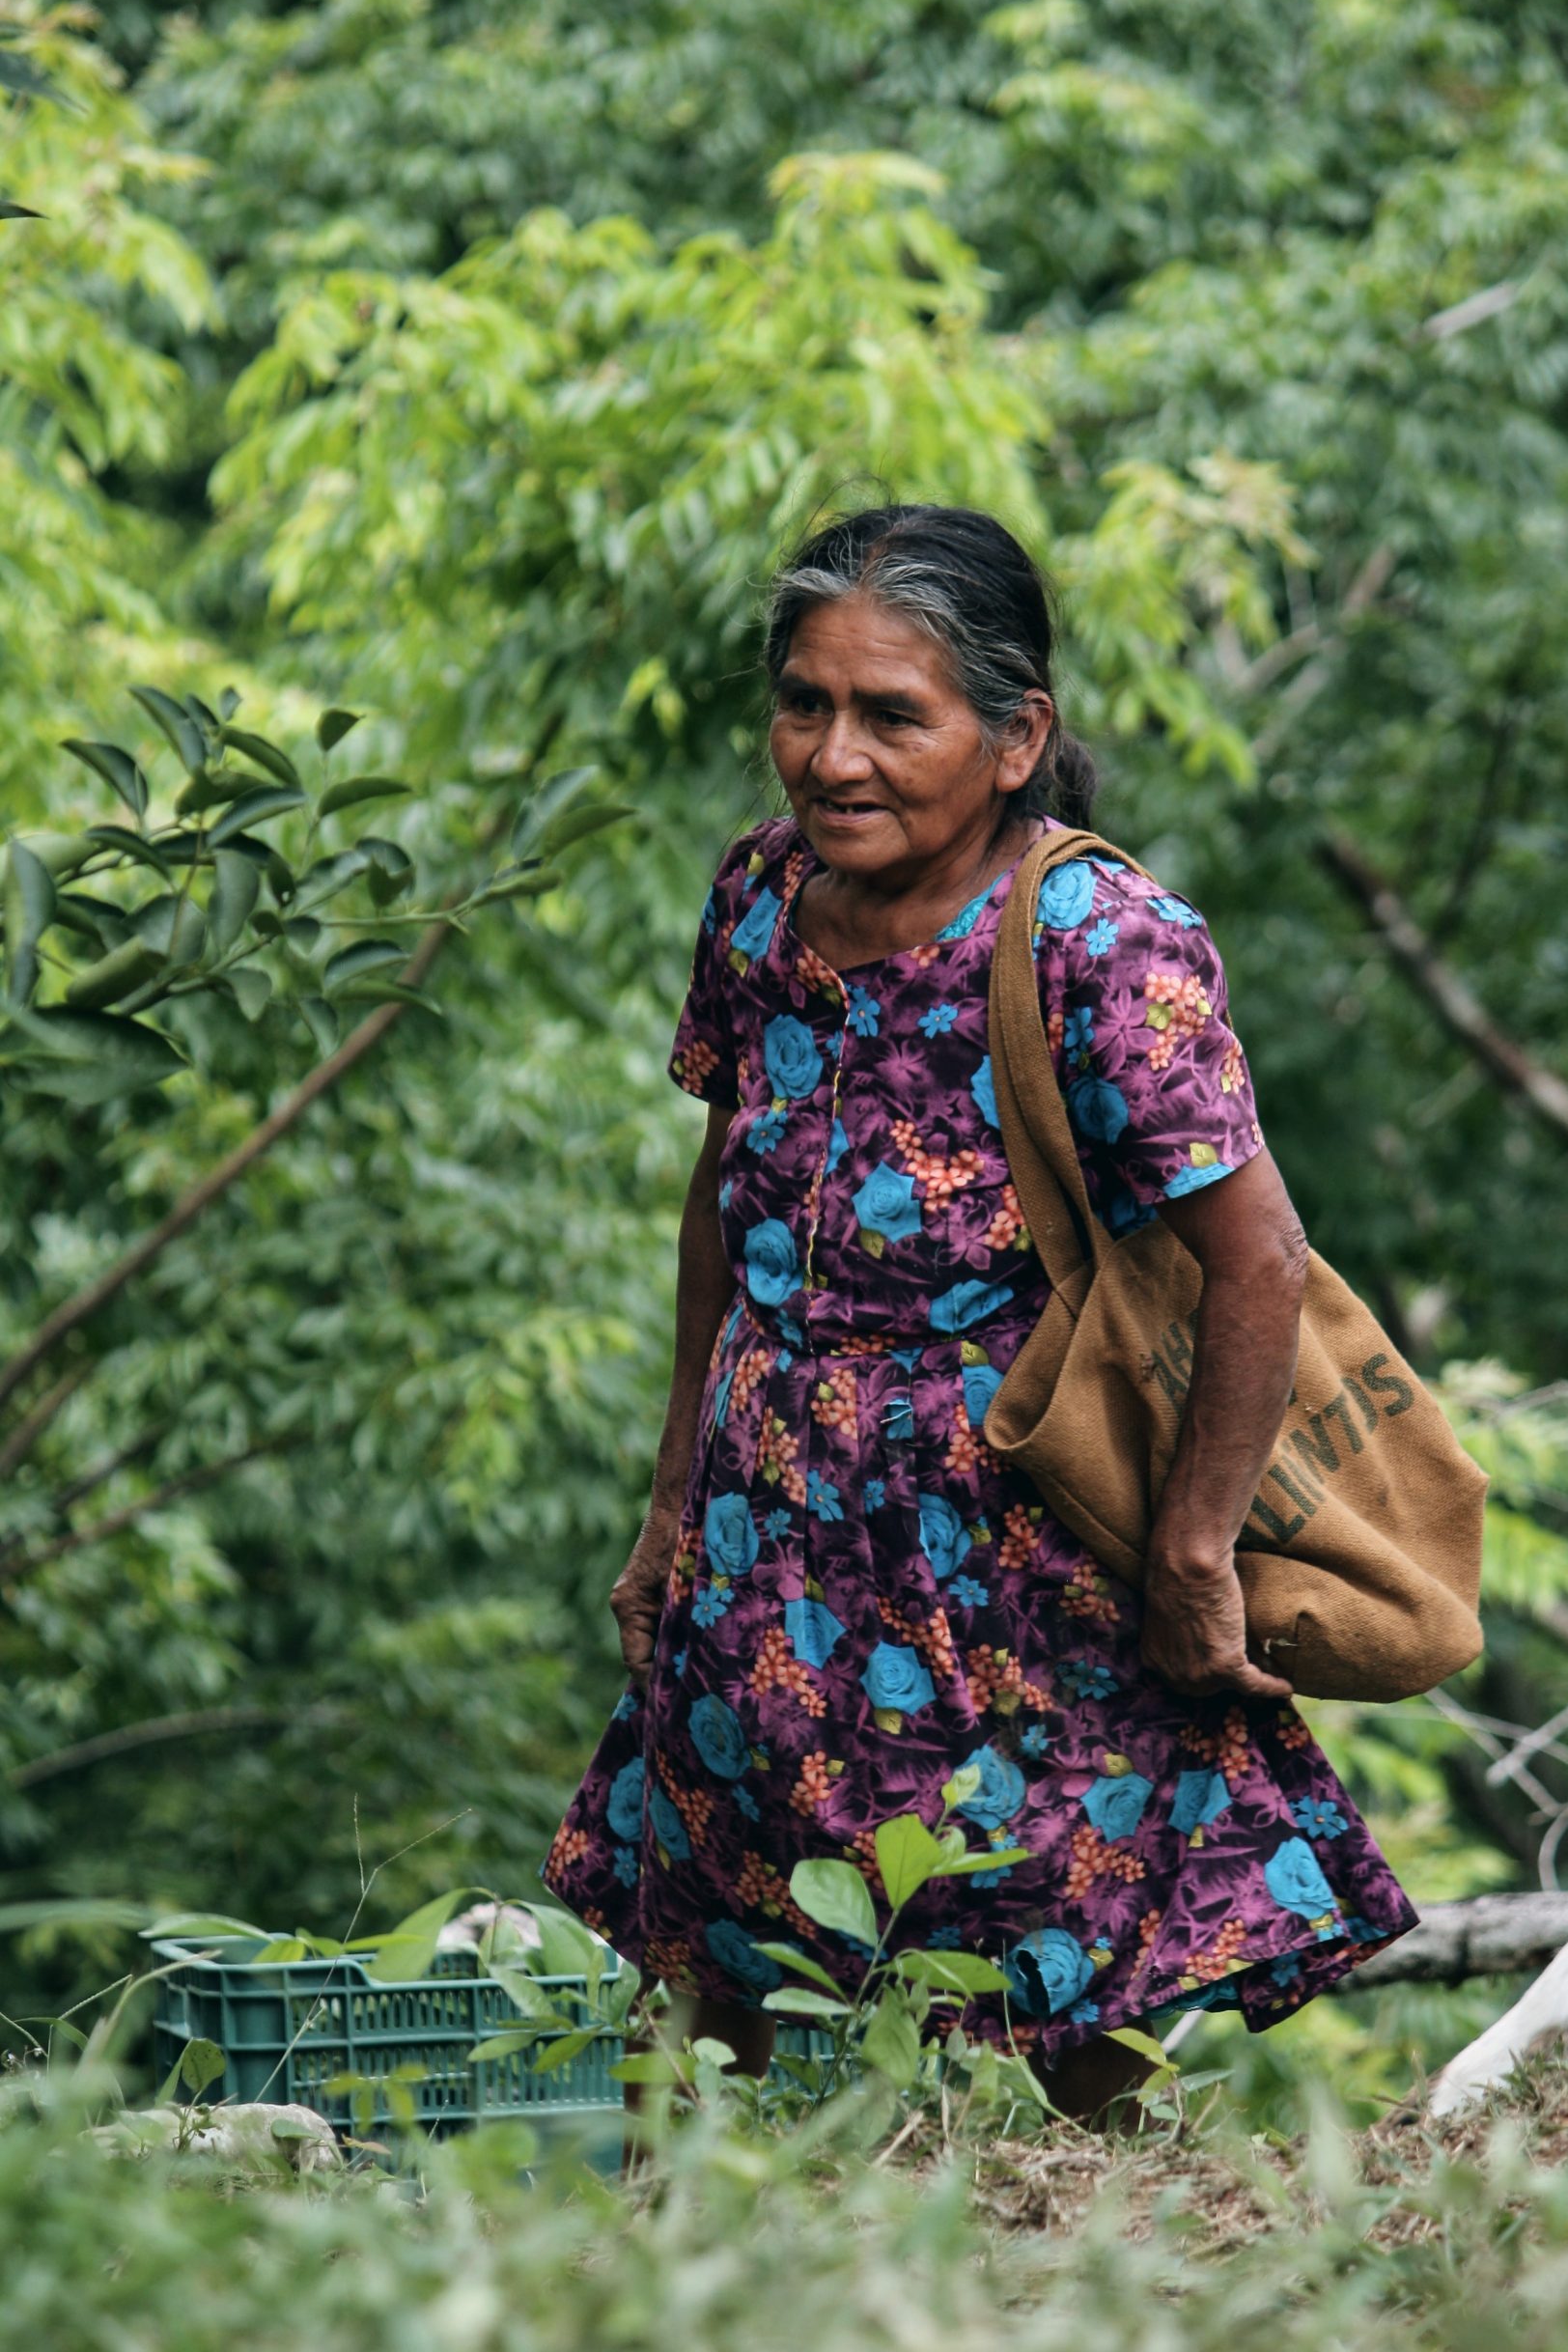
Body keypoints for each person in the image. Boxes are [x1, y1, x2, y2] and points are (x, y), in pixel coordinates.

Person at [542, 502, 1415, 2123]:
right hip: (772, 1516)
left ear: (1017, 739)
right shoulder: (759, 901)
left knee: (1076, 1934)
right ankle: (693, 2245)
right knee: (718, 1915)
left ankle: (1090, 2268)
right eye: (805, 703)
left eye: (893, 714)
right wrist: (676, 1502)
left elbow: (1259, 1258)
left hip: (1011, 1543)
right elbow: (725, 1189)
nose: (833, 755)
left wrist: (1195, 1550)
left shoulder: (1098, 943)